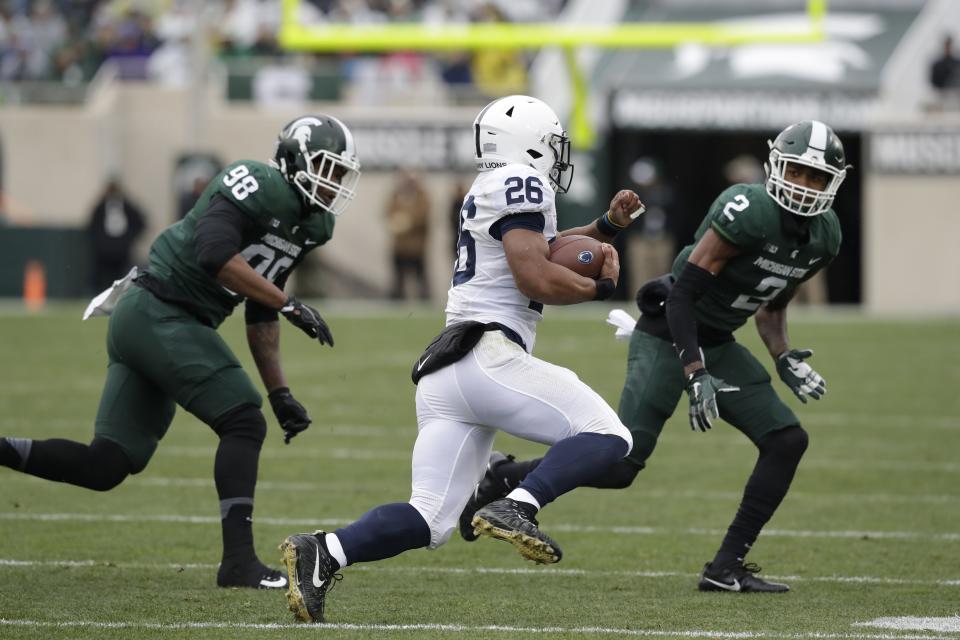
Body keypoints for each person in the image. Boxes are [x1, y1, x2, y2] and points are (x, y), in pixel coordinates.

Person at [278, 95, 644, 623]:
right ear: (532, 143)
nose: (558, 158)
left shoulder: (496, 184)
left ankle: (325, 552)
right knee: (611, 437)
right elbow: (536, 276)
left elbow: (540, 249)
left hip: (449, 370)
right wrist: (603, 288)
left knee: (430, 520)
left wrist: (604, 228)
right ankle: (518, 503)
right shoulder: (524, 180)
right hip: (487, 356)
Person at [458, 120, 848, 594]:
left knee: (787, 439)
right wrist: (695, 369)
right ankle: (502, 478)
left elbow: (773, 303)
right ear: (776, 167)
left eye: (818, 178)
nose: (805, 186)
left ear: (834, 183)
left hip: (717, 341)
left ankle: (725, 568)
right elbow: (682, 295)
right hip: (668, 332)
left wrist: (783, 354)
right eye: (798, 172)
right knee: (622, 465)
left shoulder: (826, 236)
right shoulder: (746, 210)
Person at [0, 114, 362, 590]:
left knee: (106, 465)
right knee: (242, 419)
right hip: (160, 309)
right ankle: (238, 564)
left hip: (161, 320)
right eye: (325, 168)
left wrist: (281, 392)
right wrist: (290, 304)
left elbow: (260, 306)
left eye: (339, 173)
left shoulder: (315, 224)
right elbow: (214, 253)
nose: (332, 183)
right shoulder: (259, 183)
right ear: (294, 161)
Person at [86, 178, 147, 292]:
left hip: (122, 251)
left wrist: (129, 239)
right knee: (101, 278)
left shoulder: (128, 206)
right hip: (103, 251)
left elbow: (141, 223)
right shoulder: (101, 207)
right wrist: (100, 242)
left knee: (123, 277)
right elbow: (92, 226)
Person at [385, 169, 431, 300]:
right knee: (398, 279)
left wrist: (407, 221)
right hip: (400, 247)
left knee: (420, 278)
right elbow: (389, 213)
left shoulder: (423, 197)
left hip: (417, 248)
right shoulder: (396, 196)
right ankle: (396, 300)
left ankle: (425, 300)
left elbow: (424, 216)